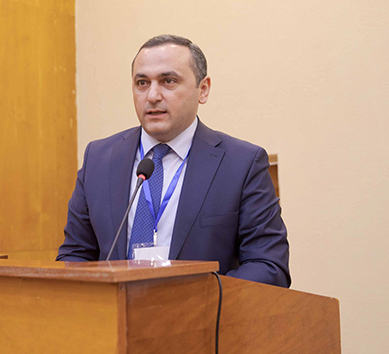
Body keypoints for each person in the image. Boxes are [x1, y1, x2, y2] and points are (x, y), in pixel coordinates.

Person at [57, 35, 290, 287]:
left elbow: (268, 267)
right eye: (142, 83)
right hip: (114, 311)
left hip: (202, 310)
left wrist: (193, 301)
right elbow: (75, 256)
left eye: (168, 81)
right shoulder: (99, 159)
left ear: (203, 89)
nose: (152, 95)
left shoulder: (242, 164)